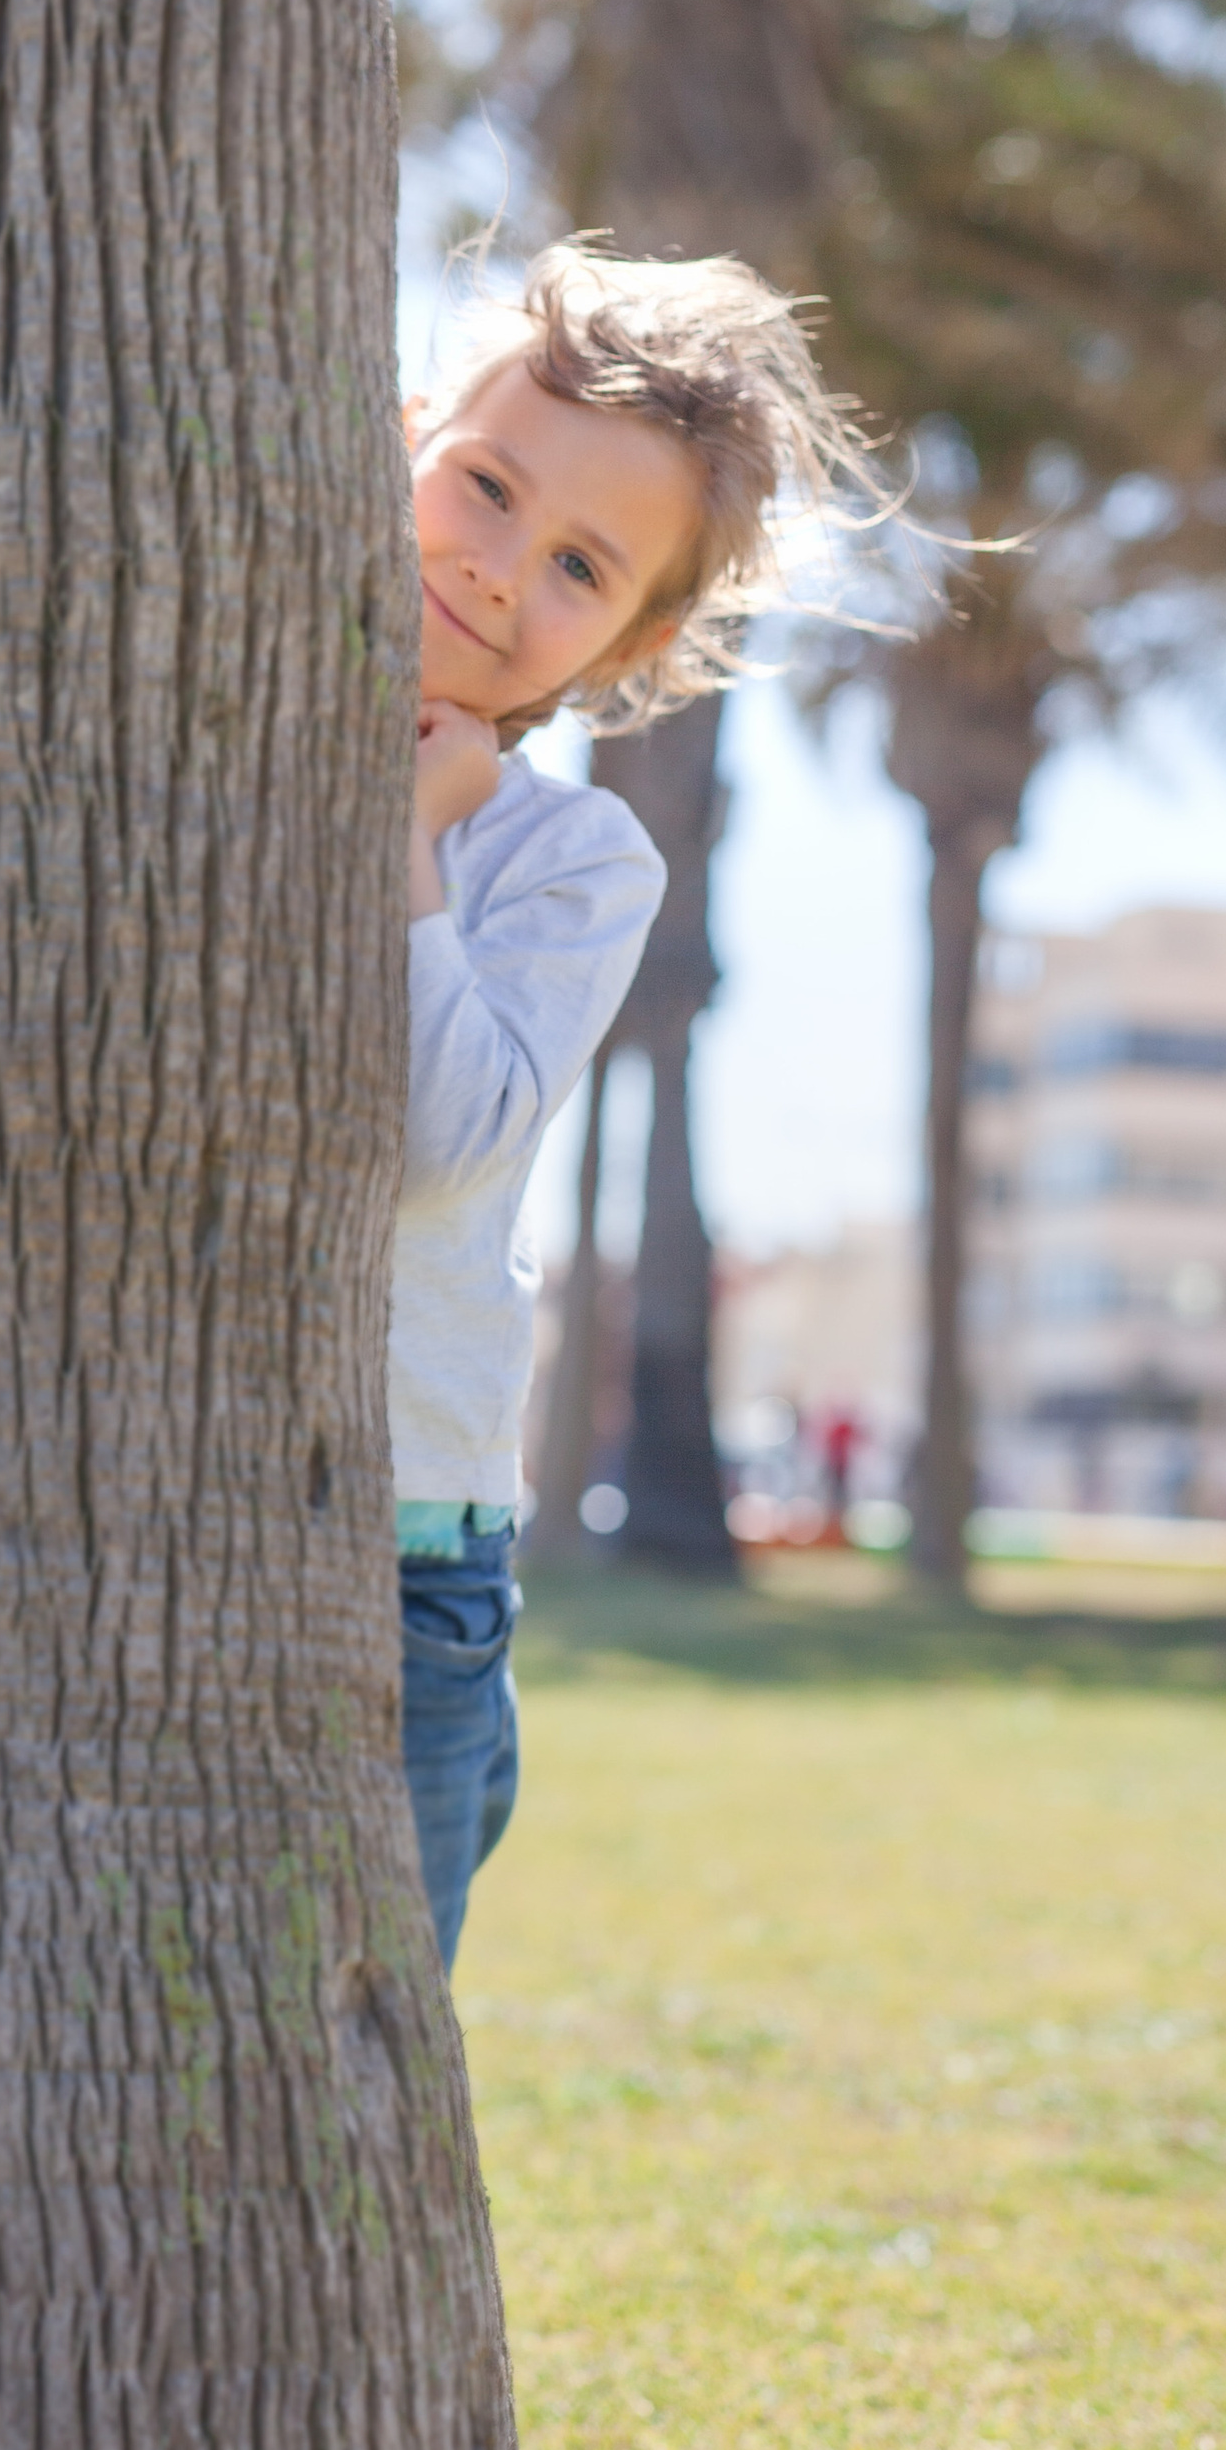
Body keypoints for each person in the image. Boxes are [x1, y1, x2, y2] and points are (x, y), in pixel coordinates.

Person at [391, 241, 881, 1970]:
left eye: (581, 563)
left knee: (353, 2035)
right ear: (397, 439)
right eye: (487, 485)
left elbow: (445, 1139)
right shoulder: (200, 741)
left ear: (639, 641)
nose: (501, 566)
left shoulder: (568, 859)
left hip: (400, 1551)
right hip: (160, 1498)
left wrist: (407, 858)